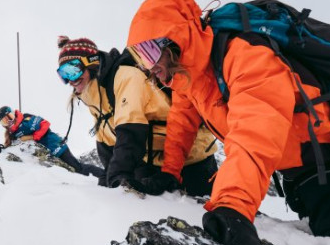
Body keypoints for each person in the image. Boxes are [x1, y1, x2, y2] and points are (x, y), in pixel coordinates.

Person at [125, 0, 330, 245]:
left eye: (148, 52)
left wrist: (232, 206)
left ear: (176, 38)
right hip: (300, 164)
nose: (148, 67)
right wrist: (170, 172)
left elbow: (255, 128)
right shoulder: (189, 79)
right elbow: (182, 124)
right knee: (317, 238)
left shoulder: (245, 55)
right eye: (138, 57)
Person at [56, 36, 218, 196]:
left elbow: (131, 131)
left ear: (91, 62)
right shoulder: (92, 94)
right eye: (63, 74)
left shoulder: (126, 76)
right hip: (150, 161)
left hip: (192, 159)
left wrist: (117, 176)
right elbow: (105, 138)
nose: (69, 80)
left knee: (199, 211)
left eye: (72, 70)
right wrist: (110, 175)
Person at [0, 106, 104, 177]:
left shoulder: (26, 119)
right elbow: (14, 145)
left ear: (13, 114)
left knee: (78, 169)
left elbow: (45, 124)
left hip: (56, 145)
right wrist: (2, 148)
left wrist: (33, 137)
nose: (9, 122)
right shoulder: (12, 133)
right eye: (4, 121)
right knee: (68, 173)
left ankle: (105, 176)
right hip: (47, 153)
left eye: (9, 117)